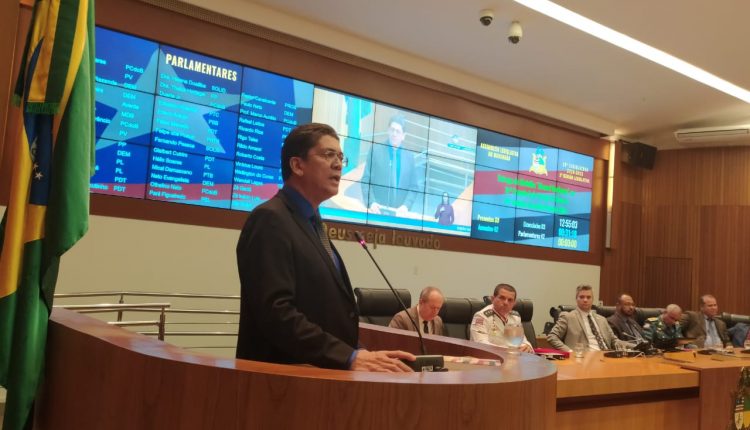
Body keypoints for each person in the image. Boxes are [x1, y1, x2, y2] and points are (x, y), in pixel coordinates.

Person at [236, 123, 414, 372]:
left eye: (341, 157)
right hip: (281, 382)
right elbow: (276, 314)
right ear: (297, 165)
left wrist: (360, 353)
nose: (339, 164)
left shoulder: (312, 224)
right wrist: (348, 357)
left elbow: (325, 315)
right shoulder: (270, 219)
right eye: (328, 155)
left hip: (319, 380)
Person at [361, 114, 423, 216]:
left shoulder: (409, 157)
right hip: (377, 211)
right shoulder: (375, 151)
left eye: (398, 131)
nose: (394, 134)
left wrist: (406, 206)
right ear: (388, 131)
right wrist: (371, 202)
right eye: (392, 130)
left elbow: (414, 187)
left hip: (399, 214)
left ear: (403, 136)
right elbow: (366, 180)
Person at [547, 285, 621, 352]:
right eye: (581, 297)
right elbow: (552, 337)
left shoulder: (602, 319)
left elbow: (614, 340)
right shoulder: (568, 317)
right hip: (584, 357)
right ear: (576, 299)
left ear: (592, 300)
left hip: (607, 355)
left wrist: (628, 346)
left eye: (588, 297)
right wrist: (569, 351)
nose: (585, 300)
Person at [470, 283, 533, 352]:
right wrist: (509, 350)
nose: (506, 303)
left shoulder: (515, 317)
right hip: (487, 357)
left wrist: (527, 346)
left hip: (511, 356)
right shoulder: (481, 316)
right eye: (502, 298)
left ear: (514, 303)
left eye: (510, 300)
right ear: (492, 299)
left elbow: (522, 340)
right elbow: (481, 344)